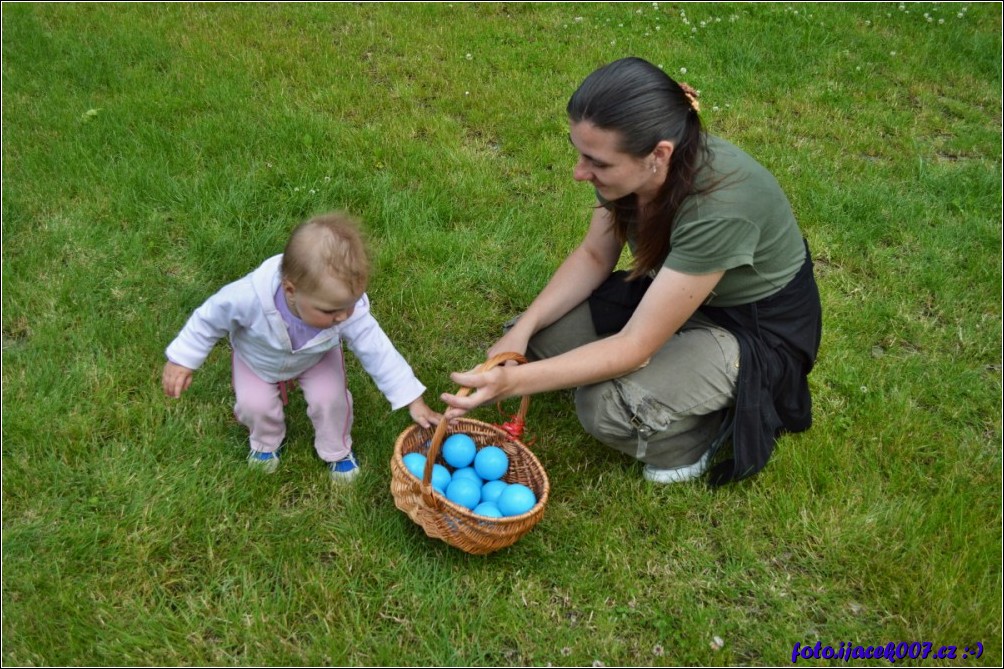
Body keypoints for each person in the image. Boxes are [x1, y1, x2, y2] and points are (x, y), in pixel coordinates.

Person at [442, 57, 822, 485]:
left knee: (604, 406)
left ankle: (698, 438)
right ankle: (673, 373)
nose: (579, 173)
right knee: (540, 340)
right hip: (678, 294)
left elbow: (636, 346)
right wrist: (521, 332)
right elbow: (593, 256)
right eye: (580, 154)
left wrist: (514, 384)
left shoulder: (720, 208)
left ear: (658, 155)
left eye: (597, 163)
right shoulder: (635, 173)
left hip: (751, 330)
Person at [162, 211, 442, 482]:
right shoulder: (247, 297)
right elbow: (208, 319)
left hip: (315, 357)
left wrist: (412, 399)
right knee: (254, 405)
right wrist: (183, 359)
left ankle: (337, 450)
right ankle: (265, 442)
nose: (344, 316)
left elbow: (378, 350)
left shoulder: (344, 309)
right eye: (331, 310)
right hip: (257, 360)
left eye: (350, 304)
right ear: (291, 291)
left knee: (331, 400)